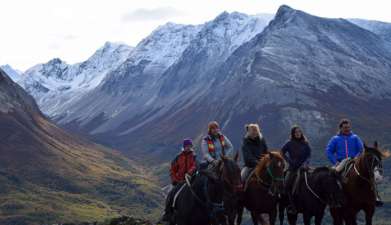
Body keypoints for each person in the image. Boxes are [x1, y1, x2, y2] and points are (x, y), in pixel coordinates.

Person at [326, 118, 383, 206]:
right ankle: (335, 198)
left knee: (370, 174)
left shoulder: (355, 137)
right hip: (341, 162)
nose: (347, 129)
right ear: (340, 128)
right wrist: (335, 161)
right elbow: (329, 151)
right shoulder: (335, 139)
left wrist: (356, 158)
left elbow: (361, 150)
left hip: (354, 160)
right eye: (345, 127)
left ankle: (376, 196)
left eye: (348, 127)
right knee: (332, 175)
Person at [158, 139, 197, 224]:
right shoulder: (178, 157)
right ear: (184, 147)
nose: (188, 148)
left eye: (190, 146)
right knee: (171, 194)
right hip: (179, 181)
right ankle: (167, 213)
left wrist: (189, 174)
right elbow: (172, 170)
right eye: (187, 146)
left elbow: (195, 166)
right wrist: (174, 180)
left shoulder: (194, 156)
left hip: (190, 181)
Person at [281, 125, 312, 214]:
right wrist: (289, 161)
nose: (298, 133)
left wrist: (305, 164)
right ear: (293, 134)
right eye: (296, 132)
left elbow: (309, 155)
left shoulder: (305, 143)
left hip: (304, 168)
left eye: (299, 132)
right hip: (292, 168)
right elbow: (282, 152)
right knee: (286, 185)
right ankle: (291, 205)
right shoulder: (289, 143)